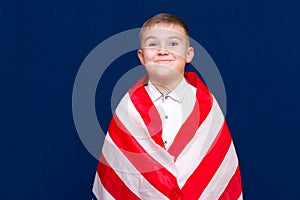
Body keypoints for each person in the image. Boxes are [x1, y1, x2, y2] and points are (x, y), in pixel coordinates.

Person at [92, 13, 243, 200]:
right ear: (141, 56)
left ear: (189, 54)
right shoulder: (128, 110)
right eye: (153, 44)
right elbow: (119, 177)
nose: (163, 51)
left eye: (173, 44)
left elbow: (219, 174)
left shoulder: (207, 108)